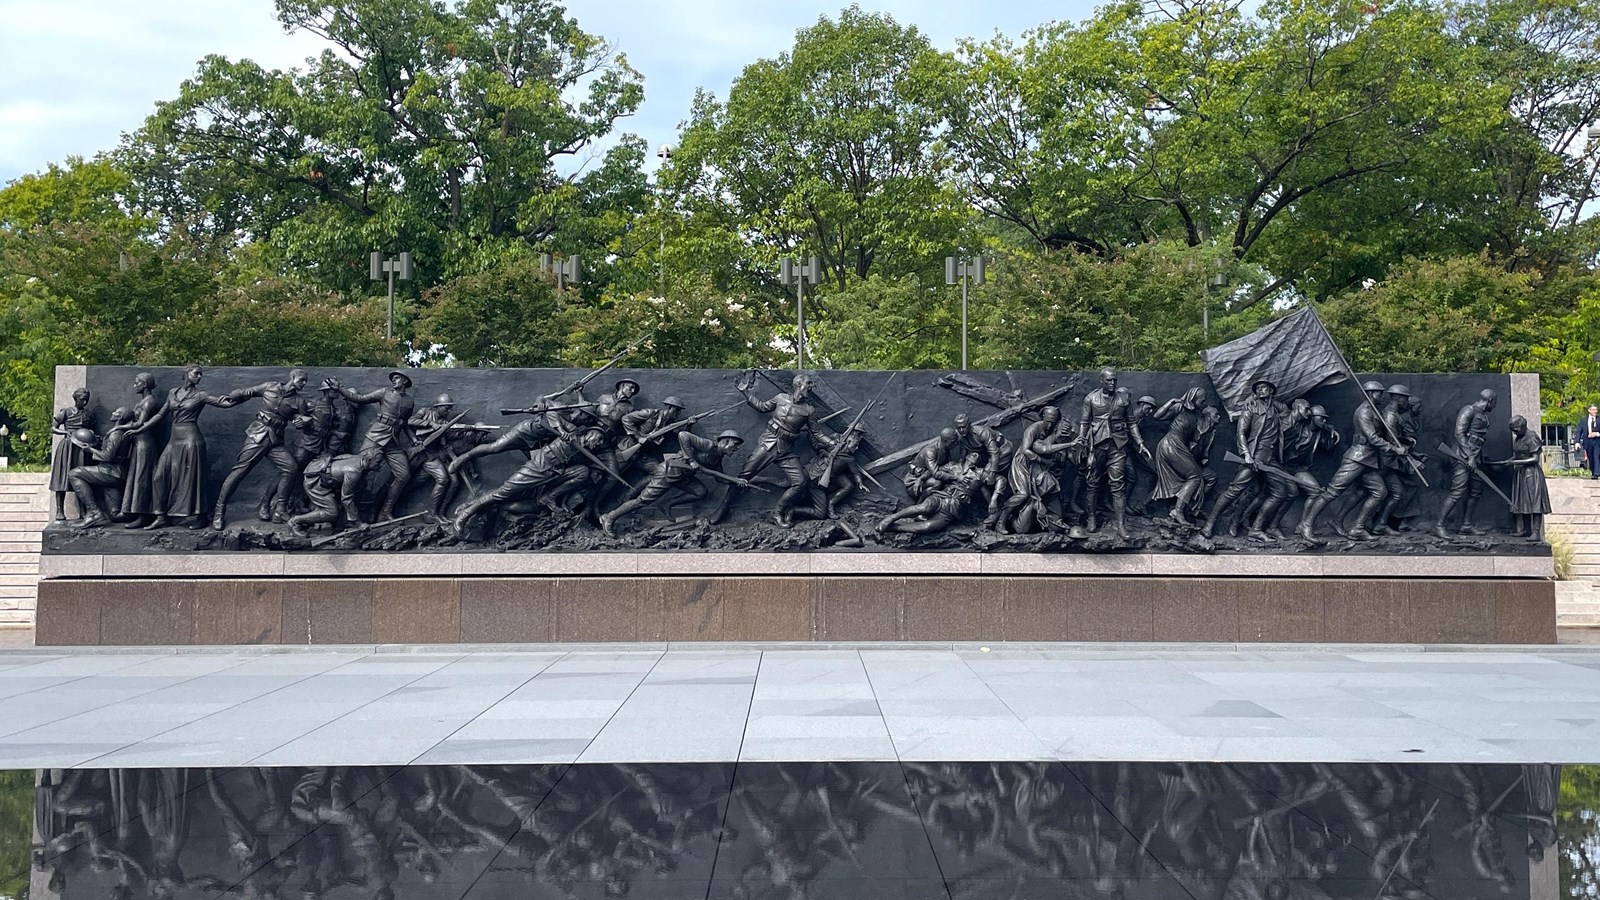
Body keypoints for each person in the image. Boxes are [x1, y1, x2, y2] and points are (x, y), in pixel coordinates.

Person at [707, 372, 820, 527]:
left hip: (786, 450)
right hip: (768, 443)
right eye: (809, 383)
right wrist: (745, 392)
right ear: (798, 384)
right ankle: (723, 508)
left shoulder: (809, 410)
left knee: (799, 483)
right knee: (744, 476)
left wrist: (832, 443)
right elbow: (762, 407)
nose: (811, 386)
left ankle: (776, 514)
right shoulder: (780, 398)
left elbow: (817, 433)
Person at [131, 365, 233, 529]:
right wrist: (143, 427)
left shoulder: (201, 395)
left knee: (193, 480)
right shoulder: (173, 392)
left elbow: (222, 402)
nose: (199, 376)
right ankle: (161, 516)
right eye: (196, 373)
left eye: (201, 374)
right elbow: (160, 414)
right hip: (174, 440)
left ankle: (200, 516)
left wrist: (241, 396)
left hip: (191, 440)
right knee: (158, 477)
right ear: (186, 374)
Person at [211, 369, 313, 529]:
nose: (304, 383)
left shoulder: (299, 401)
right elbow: (248, 392)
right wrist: (234, 395)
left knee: (291, 468)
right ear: (292, 377)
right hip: (258, 434)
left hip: (276, 440)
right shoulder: (270, 386)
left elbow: (301, 420)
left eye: (306, 381)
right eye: (302, 380)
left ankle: (277, 509)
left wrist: (304, 422)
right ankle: (219, 511)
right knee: (240, 471)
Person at [1299, 381, 1400, 542]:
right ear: (1370, 393)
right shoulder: (1364, 412)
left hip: (1368, 460)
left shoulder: (1375, 411)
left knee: (1379, 492)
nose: (1382, 395)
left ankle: (1354, 527)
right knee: (1332, 492)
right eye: (1379, 393)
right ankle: (1306, 525)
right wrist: (1395, 449)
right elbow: (1372, 438)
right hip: (1357, 458)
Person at [600, 430, 746, 535]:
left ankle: (667, 504)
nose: (736, 449)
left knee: (700, 492)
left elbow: (719, 477)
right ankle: (610, 517)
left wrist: (736, 482)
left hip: (682, 477)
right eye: (735, 445)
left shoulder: (717, 458)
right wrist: (691, 460)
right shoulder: (708, 445)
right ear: (725, 442)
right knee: (641, 501)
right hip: (668, 472)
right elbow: (683, 435)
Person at [1202, 378, 1289, 541]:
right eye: (1258, 388)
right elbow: (1241, 432)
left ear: (1271, 391)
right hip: (1255, 455)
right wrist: (1247, 454)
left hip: (1270, 458)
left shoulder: (1276, 409)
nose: (1260, 390)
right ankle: (1209, 525)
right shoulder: (1251, 408)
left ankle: (1254, 529)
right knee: (1234, 491)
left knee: (1280, 492)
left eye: (1265, 388)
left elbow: (1290, 415)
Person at [1072, 368, 1149, 538]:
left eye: (1114, 380)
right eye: (1109, 380)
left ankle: (1121, 525)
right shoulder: (1091, 398)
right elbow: (1084, 422)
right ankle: (1091, 518)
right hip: (1097, 444)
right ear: (1101, 381)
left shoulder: (1123, 398)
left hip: (1117, 446)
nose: (1112, 383)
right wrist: (1081, 440)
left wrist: (1140, 443)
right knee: (1092, 482)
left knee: (1118, 485)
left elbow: (1131, 422)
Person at [332, 371, 418, 522]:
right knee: (358, 471)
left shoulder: (409, 401)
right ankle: (345, 514)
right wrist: (340, 389)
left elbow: (405, 424)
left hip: (393, 442)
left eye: (397, 378)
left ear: (405, 381)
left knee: (403, 475)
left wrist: (414, 439)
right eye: (392, 378)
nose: (393, 380)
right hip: (375, 437)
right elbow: (360, 398)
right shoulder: (384, 392)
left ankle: (385, 512)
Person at [876, 451, 992, 535]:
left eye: (977, 457)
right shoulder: (953, 466)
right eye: (972, 455)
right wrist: (921, 478)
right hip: (941, 497)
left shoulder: (979, 476)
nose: (974, 457)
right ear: (966, 457)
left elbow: (989, 490)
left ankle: (896, 528)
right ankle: (891, 518)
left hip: (953, 509)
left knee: (928, 526)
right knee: (922, 508)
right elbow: (935, 472)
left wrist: (994, 502)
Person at [1148, 388, 1218, 527]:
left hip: (1180, 447)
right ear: (1192, 398)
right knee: (1195, 477)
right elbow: (1157, 416)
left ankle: (1185, 508)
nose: (1203, 403)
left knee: (1197, 477)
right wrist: (1171, 402)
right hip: (1171, 445)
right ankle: (1177, 511)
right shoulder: (1179, 407)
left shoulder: (1195, 415)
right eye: (1201, 400)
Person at [1000, 406, 1074, 534]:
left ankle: (1042, 520)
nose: (1050, 424)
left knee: (1047, 488)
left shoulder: (1056, 431)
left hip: (1040, 467)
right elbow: (1026, 450)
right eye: (1048, 421)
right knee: (1023, 494)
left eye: (1054, 421)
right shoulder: (1033, 429)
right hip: (1023, 463)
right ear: (1043, 417)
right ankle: (1001, 520)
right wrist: (1044, 461)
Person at [1435, 388, 1498, 539]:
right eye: (1494, 403)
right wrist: (1469, 456)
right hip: (1461, 457)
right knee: (1457, 491)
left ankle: (1466, 525)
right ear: (1490, 400)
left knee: (1476, 491)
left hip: (1476, 457)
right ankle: (1439, 525)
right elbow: (1459, 433)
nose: (1494, 406)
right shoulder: (1468, 410)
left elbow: (1479, 438)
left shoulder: (1483, 414)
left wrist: (1480, 457)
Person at [287, 448, 386, 537]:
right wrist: (359, 523)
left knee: (358, 489)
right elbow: (346, 498)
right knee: (332, 512)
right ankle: (295, 522)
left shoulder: (360, 459)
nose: (379, 465)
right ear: (369, 460)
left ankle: (345, 521)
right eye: (377, 462)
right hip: (315, 482)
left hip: (326, 478)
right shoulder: (354, 471)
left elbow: (340, 458)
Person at [65, 409, 134, 528]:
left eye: (117, 412)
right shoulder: (120, 432)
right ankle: (140, 515)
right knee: (115, 515)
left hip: (109, 472)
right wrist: (99, 441)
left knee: (74, 474)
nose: (113, 412)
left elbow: (107, 456)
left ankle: (93, 512)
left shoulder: (116, 434)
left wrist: (90, 449)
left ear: (120, 418)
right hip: (116, 475)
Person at [1489, 416, 1549, 542]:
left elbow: (1535, 459)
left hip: (1531, 474)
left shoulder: (1532, 437)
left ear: (1523, 426)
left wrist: (1515, 462)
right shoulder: (1519, 437)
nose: (1515, 432)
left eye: (1516, 430)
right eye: (1513, 430)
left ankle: (1536, 532)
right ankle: (1521, 529)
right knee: (1520, 501)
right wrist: (1505, 462)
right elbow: (1516, 455)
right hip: (1520, 473)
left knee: (1534, 502)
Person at [119, 373, 163, 529]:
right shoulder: (143, 401)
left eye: (136, 383)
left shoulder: (149, 402)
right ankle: (133, 511)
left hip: (146, 444)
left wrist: (119, 427)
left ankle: (143, 515)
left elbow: (140, 423)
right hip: (138, 443)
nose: (134, 385)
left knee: (142, 479)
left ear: (145, 384)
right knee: (136, 477)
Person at [48, 388, 95, 522]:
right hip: (68, 447)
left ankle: (83, 510)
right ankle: (59, 510)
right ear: (75, 399)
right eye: (82, 399)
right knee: (62, 478)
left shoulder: (89, 414)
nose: (85, 402)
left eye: (87, 399)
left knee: (81, 478)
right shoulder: (66, 412)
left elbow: (92, 428)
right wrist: (64, 433)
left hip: (82, 447)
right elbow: (53, 427)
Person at [1579, 404, 1600, 479]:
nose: (1595, 411)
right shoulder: (1584, 420)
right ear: (1589, 410)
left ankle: (1596, 474)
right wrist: (1577, 442)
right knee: (1591, 458)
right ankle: (1594, 472)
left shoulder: (1599, 419)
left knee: (1596, 456)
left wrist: (1597, 434)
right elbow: (1579, 432)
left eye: (1596, 410)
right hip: (1588, 442)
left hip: (1597, 441)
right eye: (1593, 410)